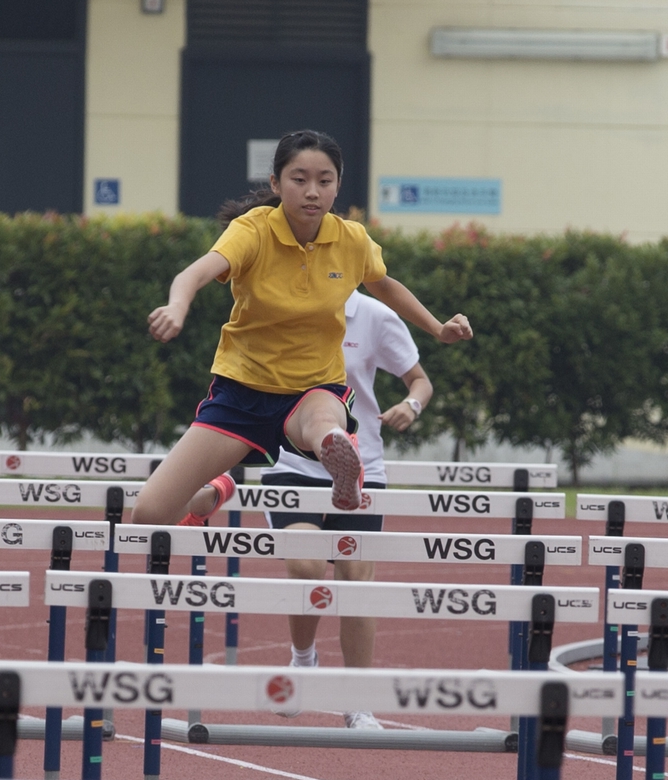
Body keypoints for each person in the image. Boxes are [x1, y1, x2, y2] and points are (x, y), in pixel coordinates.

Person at [132, 128, 470, 537]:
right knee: (147, 515)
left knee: (322, 417)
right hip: (242, 393)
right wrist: (176, 306)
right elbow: (196, 272)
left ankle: (338, 452)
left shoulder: (351, 239)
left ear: (337, 186)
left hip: (313, 388)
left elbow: (383, 283)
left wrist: (438, 328)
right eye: (299, 179)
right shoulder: (253, 230)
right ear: (276, 183)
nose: (312, 191)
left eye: (325, 181)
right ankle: (213, 494)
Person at [262, 288, 432, 730]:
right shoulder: (282, 299)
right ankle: (304, 661)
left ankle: (359, 703)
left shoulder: (373, 315)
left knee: (355, 578)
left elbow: (420, 380)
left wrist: (411, 405)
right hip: (293, 462)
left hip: (361, 465)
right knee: (305, 565)